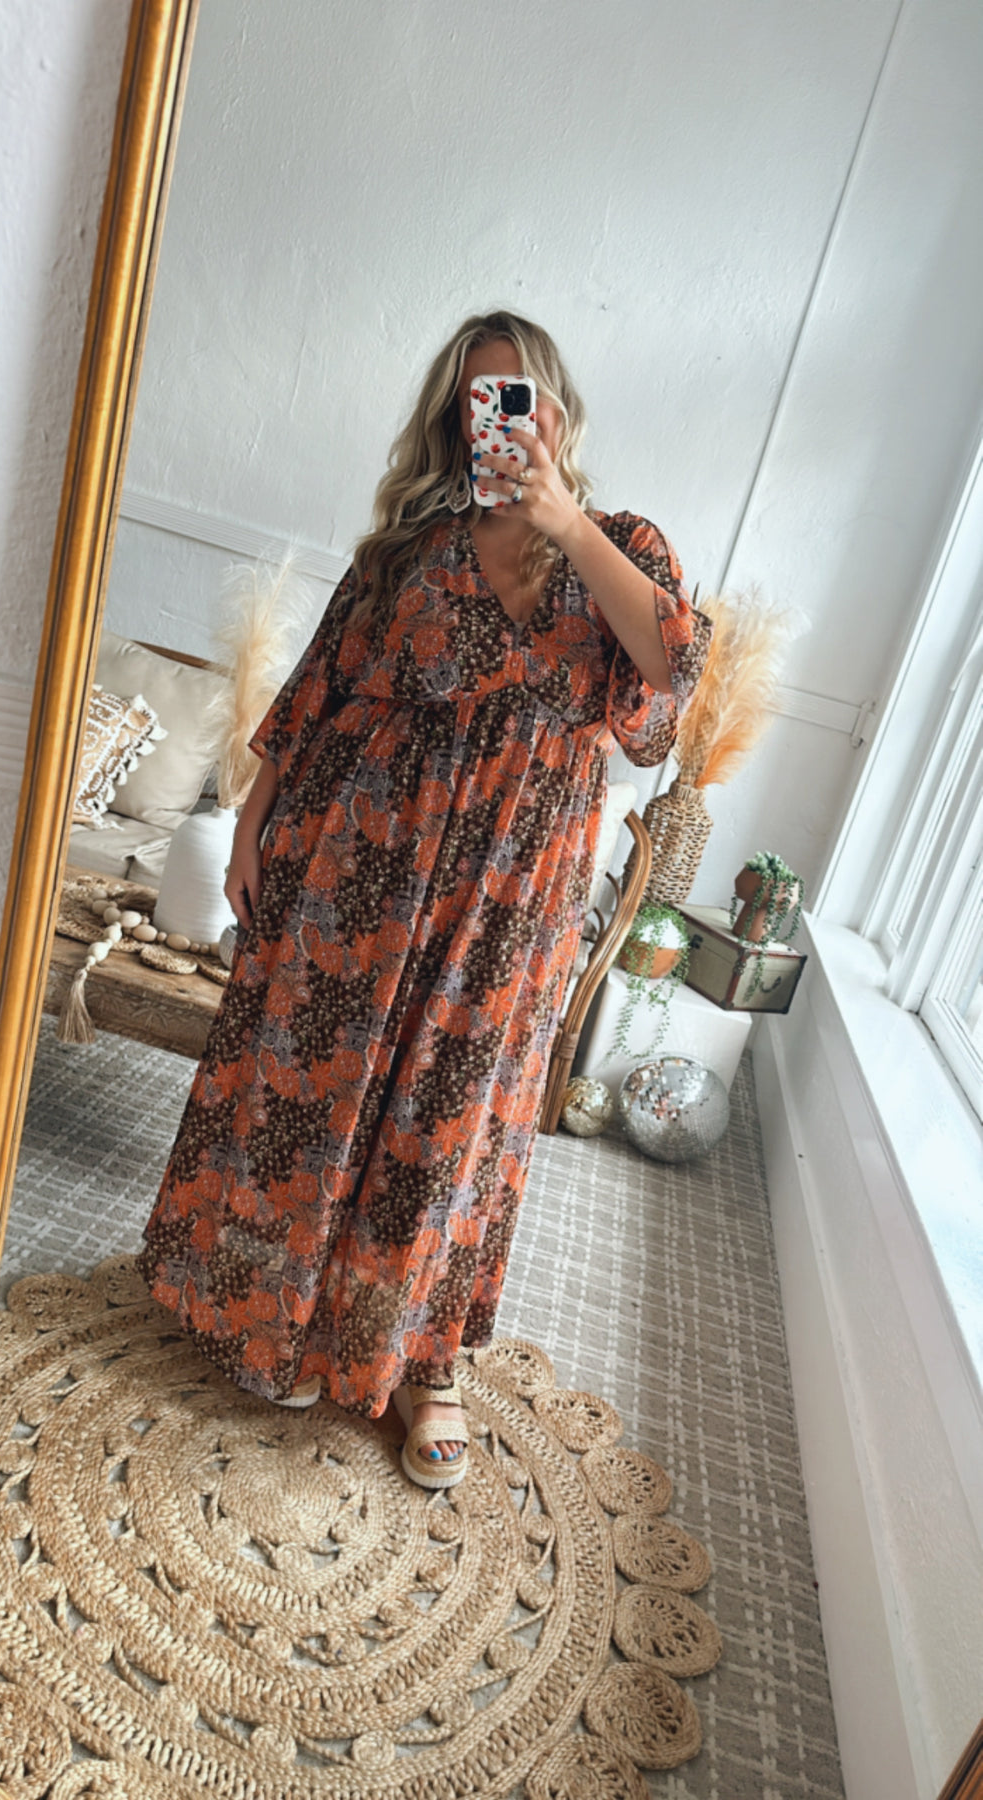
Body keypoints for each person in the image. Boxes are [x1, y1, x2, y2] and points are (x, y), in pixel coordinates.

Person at [136, 309, 711, 1488]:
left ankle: (423, 1359)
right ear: (452, 422)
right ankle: (287, 1321)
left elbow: (671, 677)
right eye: (475, 400)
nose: (498, 421)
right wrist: (249, 823)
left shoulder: (622, 545)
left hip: (510, 903)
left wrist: (560, 519)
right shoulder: (406, 553)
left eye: (518, 398)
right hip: (363, 871)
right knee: (321, 1090)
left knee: (454, 1120)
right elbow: (316, 695)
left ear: (557, 413)